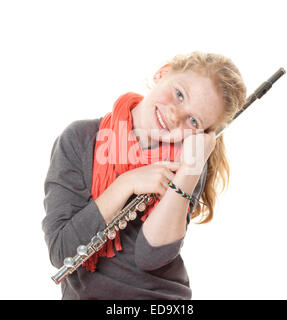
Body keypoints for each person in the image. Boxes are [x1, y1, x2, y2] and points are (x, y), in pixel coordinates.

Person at [42, 51, 247, 300]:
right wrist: (126, 183)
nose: (174, 116)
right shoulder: (79, 139)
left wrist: (190, 171)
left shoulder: (188, 162)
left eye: (193, 120)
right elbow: (61, 250)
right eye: (179, 94)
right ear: (163, 72)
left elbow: (152, 256)